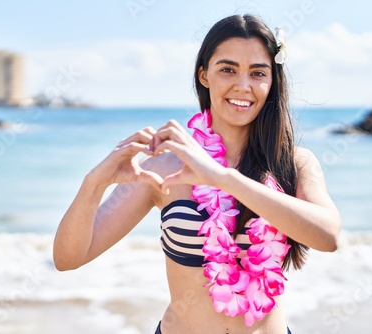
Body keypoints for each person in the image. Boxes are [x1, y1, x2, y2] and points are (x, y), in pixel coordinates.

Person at [53, 14, 341, 334]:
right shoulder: (164, 167)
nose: (242, 86)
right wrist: (94, 184)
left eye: (257, 73)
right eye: (227, 69)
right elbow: (69, 258)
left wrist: (222, 178)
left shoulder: (294, 164)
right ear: (204, 75)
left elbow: (328, 236)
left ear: (272, 81)